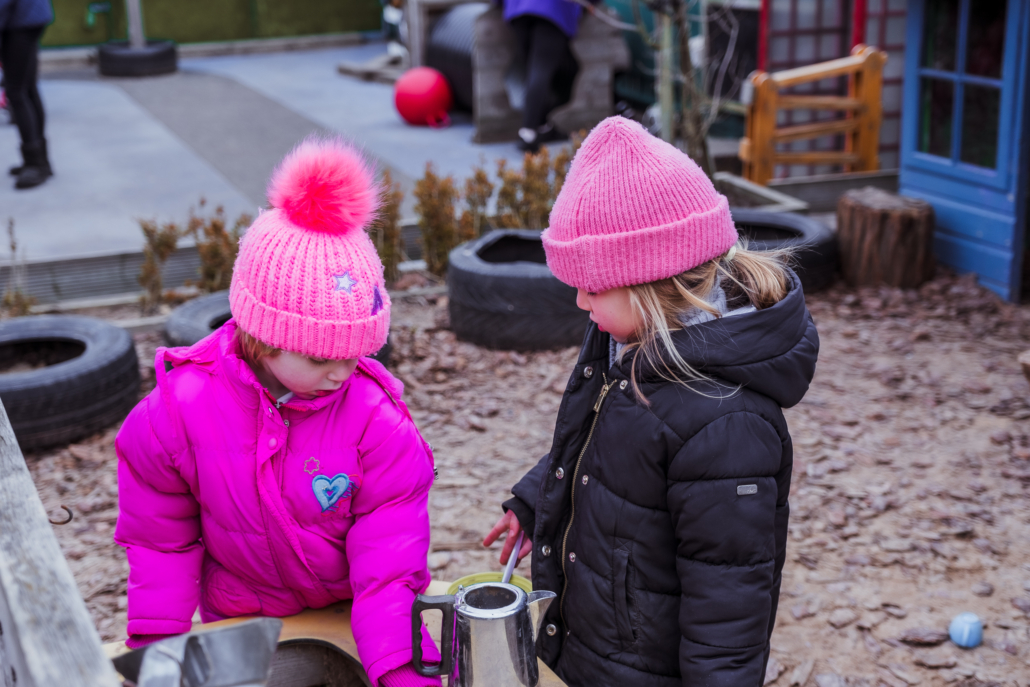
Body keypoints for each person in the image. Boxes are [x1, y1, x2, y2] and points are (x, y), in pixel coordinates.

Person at [483, 116, 819, 686]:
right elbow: (601, 446)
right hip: (599, 647)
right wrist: (537, 499)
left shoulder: (726, 425)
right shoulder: (627, 343)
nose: (579, 298)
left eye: (593, 285)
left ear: (651, 282)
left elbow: (728, 604)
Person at [115, 138, 442, 687]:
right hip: (245, 621)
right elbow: (160, 540)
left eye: (356, 353)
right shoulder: (178, 413)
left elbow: (389, 564)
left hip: (350, 619)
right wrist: (158, 651)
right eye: (321, 358)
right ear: (263, 339)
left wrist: (403, 670)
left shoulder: (374, 419)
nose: (343, 372)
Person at [503, 0, 581, 152]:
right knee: (541, 71)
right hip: (551, 10)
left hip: (519, 12)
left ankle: (542, 126)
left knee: (536, 70)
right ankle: (528, 133)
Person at [0, 0, 53, 189]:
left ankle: (35, 163)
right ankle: (41, 161)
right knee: (27, 88)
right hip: (27, 16)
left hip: (22, 19)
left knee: (16, 92)